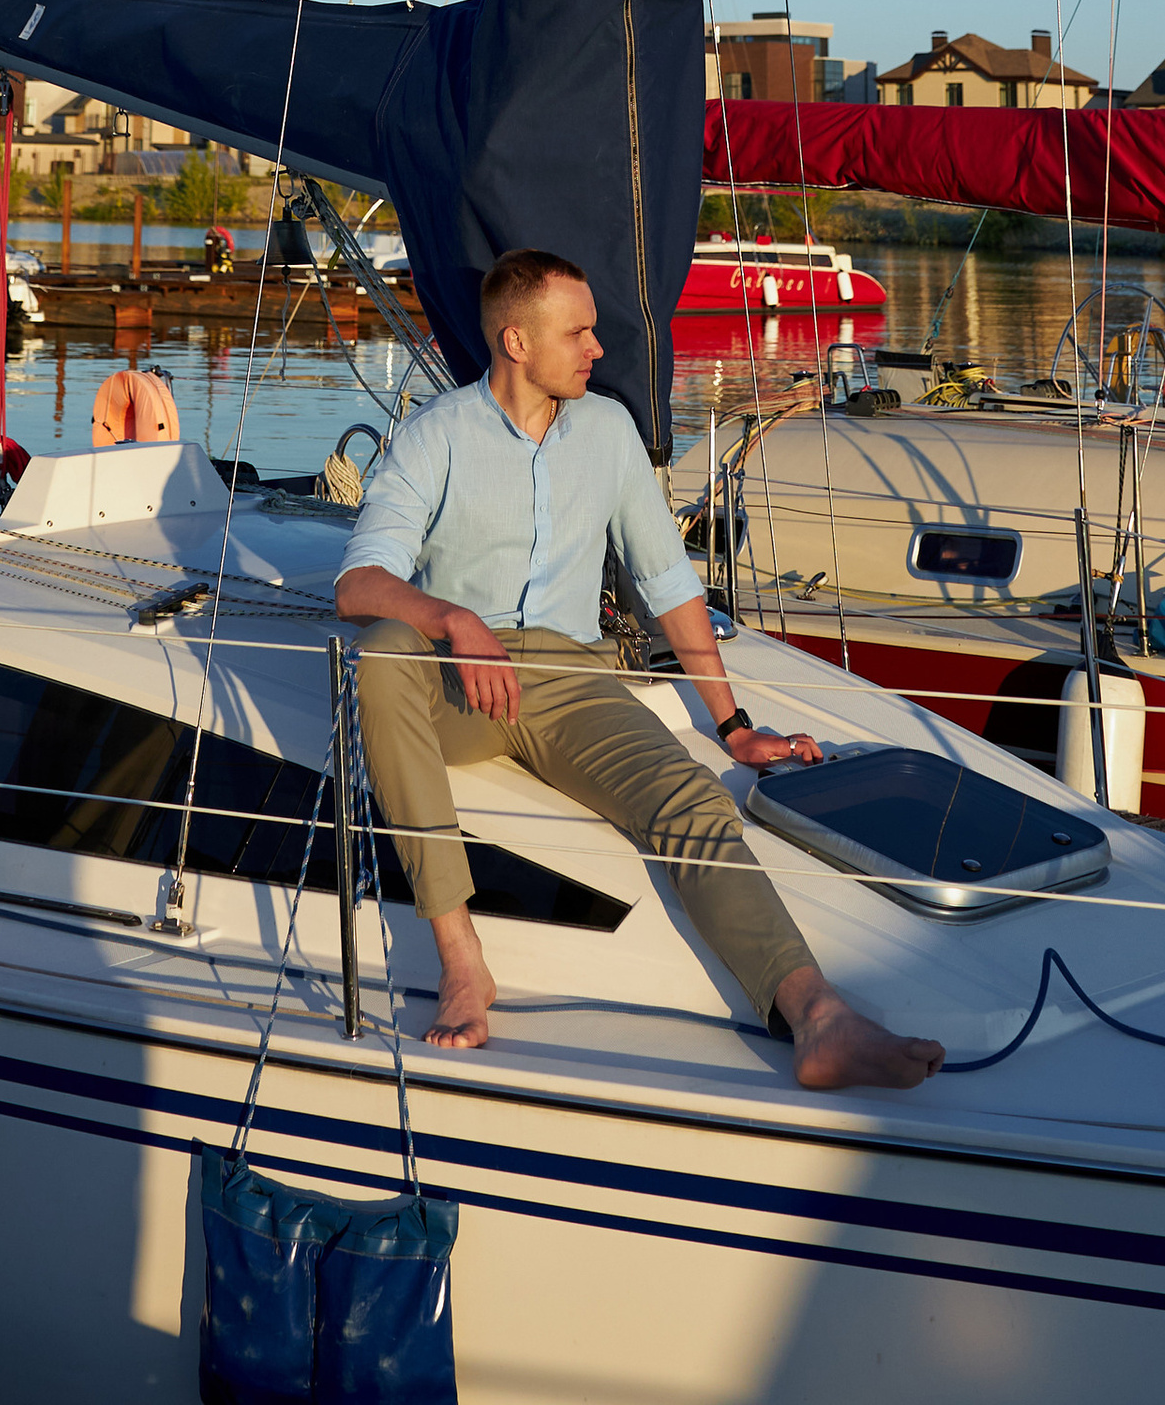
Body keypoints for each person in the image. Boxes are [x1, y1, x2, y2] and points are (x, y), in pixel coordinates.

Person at [335, 247, 943, 1091]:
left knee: (688, 801)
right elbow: (359, 583)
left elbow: (666, 581)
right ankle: (462, 959)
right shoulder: (437, 437)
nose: (597, 348)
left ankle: (818, 1017)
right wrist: (455, 620)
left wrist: (731, 726)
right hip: (456, 686)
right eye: (578, 333)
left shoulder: (610, 431)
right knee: (383, 651)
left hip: (570, 681)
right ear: (516, 342)